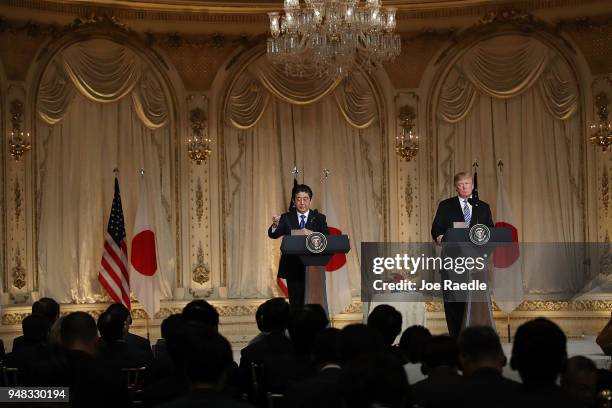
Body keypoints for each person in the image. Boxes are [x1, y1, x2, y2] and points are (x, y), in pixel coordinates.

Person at [430, 172, 494, 337]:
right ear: (455, 187)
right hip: (453, 262)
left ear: (472, 186)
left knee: (475, 302)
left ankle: (475, 337)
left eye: (467, 183)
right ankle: (456, 339)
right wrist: (440, 236)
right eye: (460, 184)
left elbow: (490, 233)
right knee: (454, 303)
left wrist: (483, 254)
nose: (464, 187)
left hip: (476, 263)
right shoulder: (446, 205)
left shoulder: (483, 207)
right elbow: (436, 228)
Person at [268, 184, 329, 309]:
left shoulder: (319, 218)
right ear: (293, 201)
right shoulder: (286, 218)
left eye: (305, 199)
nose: (302, 203)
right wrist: (275, 225)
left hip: (314, 267)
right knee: (296, 305)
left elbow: (326, 240)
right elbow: (273, 234)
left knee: (314, 305)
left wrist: (312, 234)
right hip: (293, 267)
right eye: (298, 199)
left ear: (310, 200)